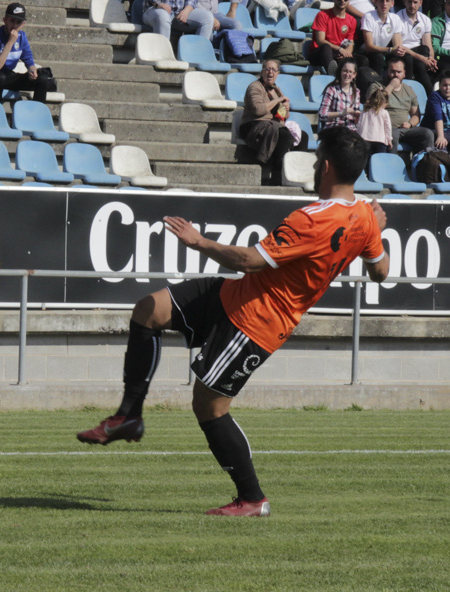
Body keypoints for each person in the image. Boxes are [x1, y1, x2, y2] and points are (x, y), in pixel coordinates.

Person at [76, 126, 390, 517]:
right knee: (148, 310)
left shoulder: (313, 219)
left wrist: (198, 241)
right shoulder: (364, 216)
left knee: (209, 406)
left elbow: (249, 260)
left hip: (256, 321)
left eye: (315, 160)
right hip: (233, 295)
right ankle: (128, 416)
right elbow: (381, 272)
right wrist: (378, 229)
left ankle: (252, 498)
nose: (312, 165)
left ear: (324, 166)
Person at [239, 60, 307, 185]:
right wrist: (278, 101)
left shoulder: (276, 89)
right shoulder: (254, 87)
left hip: (272, 125)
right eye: (267, 69)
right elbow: (258, 110)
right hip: (253, 124)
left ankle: (298, 174)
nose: (270, 72)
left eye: (274, 70)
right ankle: (277, 177)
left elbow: (282, 117)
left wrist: (285, 110)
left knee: (303, 136)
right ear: (262, 71)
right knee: (283, 134)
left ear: (278, 73)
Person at [0, 3, 56, 103]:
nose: (15, 25)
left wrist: (32, 71)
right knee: (0, 77)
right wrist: (10, 42)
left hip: (10, 75)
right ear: (5, 20)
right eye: (12, 21)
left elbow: (29, 61)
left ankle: (36, 114)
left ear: (23, 24)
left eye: (18, 22)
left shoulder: (22, 36)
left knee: (42, 79)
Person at [368, 55, 435, 152]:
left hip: (406, 129)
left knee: (427, 134)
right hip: (386, 129)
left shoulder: (409, 90)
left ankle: (422, 164)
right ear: (387, 71)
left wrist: (410, 123)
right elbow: (373, 107)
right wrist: (391, 86)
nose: (395, 75)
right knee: (392, 134)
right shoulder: (376, 86)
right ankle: (390, 165)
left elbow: (416, 115)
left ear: (404, 74)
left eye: (399, 72)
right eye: (392, 71)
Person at [357, 0, 404, 88]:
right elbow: (369, 46)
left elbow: (397, 45)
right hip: (364, 52)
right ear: (376, 2)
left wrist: (399, 50)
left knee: (405, 58)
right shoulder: (368, 16)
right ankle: (377, 88)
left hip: (383, 51)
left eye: (387, 1)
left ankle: (400, 88)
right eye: (381, 1)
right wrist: (390, 50)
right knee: (378, 57)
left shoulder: (395, 18)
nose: (384, 4)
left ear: (392, 3)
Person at [395, 0, 438, 93]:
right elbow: (400, 47)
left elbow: (428, 45)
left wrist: (431, 59)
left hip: (419, 52)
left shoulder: (425, 19)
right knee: (413, 61)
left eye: (415, 2)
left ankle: (429, 95)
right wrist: (423, 59)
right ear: (404, 2)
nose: (412, 5)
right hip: (404, 52)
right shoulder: (397, 18)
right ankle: (431, 95)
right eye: (409, 2)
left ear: (421, 3)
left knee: (425, 53)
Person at [306, 0, 357, 75]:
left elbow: (350, 42)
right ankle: (334, 76)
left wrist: (347, 53)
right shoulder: (322, 15)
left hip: (337, 54)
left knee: (362, 59)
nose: (342, 1)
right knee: (326, 47)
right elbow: (320, 41)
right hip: (320, 54)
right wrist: (340, 49)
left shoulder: (352, 20)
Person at [319, 59, 361, 130]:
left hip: (351, 128)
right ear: (340, 72)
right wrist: (341, 113)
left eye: (350, 72)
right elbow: (322, 115)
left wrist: (357, 115)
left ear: (354, 75)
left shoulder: (356, 92)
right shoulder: (332, 90)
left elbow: (355, 120)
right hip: (334, 127)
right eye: (345, 71)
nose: (347, 74)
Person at [142, 0, 215, 40]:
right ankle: (162, 55)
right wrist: (159, 4)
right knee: (163, 16)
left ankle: (198, 56)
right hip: (155, 9)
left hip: (179, 12)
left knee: (207, 17)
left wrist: (186, 10)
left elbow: (192, 1)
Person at [358, 88, 393, 152]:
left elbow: (360, 124)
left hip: (365, 139)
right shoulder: (385, 112)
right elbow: (388, 127)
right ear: (384, 102)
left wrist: (359, 137)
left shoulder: (365, 111)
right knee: (379, 160)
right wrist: (389, 139)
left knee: (366, 160)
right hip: (380, 140)